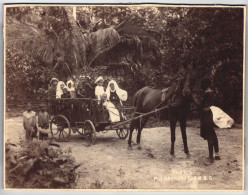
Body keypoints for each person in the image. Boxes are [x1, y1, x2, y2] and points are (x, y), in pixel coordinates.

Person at [199, 77, 220, 163]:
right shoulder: (211, 92)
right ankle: (217, 154)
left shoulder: (206, 93)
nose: (200, 86)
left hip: (206, 114)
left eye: (201, 84)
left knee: (209, 136)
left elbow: (201, 105)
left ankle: (211, 157)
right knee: (213, 134)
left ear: (205, 84)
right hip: (211, 113)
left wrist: (193, 101)